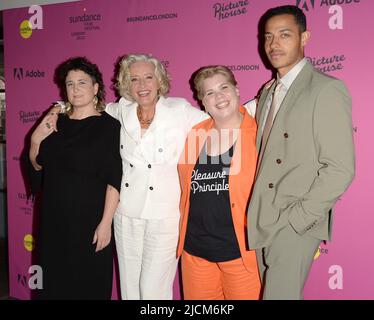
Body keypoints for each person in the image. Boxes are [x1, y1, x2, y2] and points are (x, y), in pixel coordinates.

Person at [247, 5, 355, 299]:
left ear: (304, 37)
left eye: (284, 35)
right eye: (268, 37)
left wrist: (299, 219)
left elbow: (340, 168)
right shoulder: (267, 91)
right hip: (262, 217)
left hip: (293, 220)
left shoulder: (325, 89)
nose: (273, 44)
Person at [105, 54, 209, 300]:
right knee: (129, 288)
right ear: (125, 84)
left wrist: (255, 105)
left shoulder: (179, 109)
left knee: (154, 290)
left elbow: (220, 122)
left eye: (148, 78)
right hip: (126, 213)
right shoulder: (120, 109)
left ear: (159, 80)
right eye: (134, 79)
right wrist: (59, 111)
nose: (142, 85)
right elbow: (89, 110)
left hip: (165, 216)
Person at [28, 57, 122, 299]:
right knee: (53, 285)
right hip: (54, 221)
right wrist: (36, 139)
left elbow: (114, 179)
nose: (75, 89)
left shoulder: (109, 127)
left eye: (82, 82)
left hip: (89, 222)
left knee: (88, 285)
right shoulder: (55, 123)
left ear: (95, 88)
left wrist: (105, 224)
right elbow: (37, 166)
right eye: (70, 84)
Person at [177, 66, 261, 300]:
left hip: (240, 253)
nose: (219, 96)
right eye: (209, 93)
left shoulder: (258, 134)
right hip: (195, 253)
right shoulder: (196, 133)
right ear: (202, 102)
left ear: (236, 89)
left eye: (224, 87)